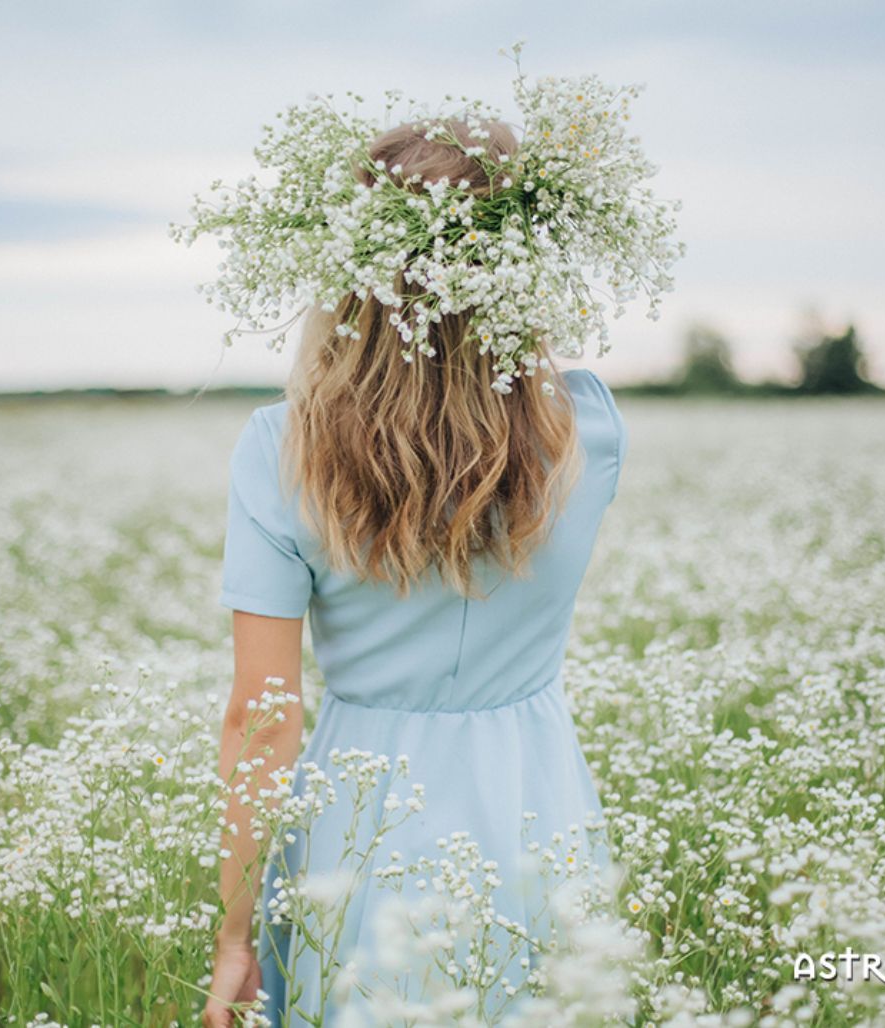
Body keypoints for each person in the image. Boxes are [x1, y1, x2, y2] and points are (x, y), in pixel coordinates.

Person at [203, 119, 629, 1028]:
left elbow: (262, 718)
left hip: (361, 826)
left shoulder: (283, 449)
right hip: (537, 808)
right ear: (519, 266)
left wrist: (235, 937)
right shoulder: (588, 431)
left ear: (351, 269)